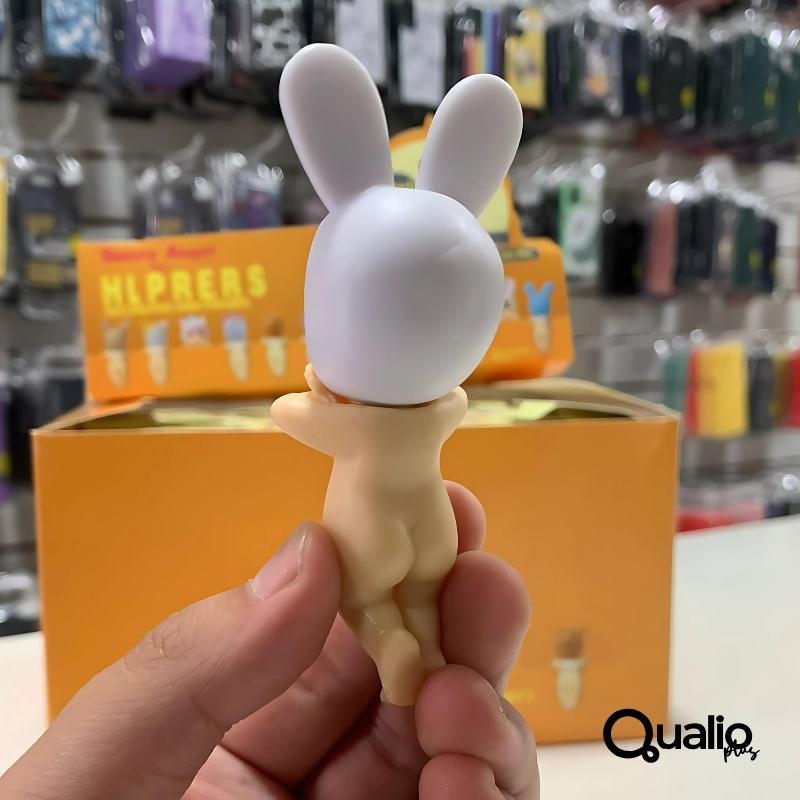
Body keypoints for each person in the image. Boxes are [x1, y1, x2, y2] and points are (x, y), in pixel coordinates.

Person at [0, 484, 538, 799]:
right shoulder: (437, 405)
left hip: (371, 529)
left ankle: (399, 654)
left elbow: (303, 417)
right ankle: (413, 659)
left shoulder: (353, 410)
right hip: (427, 519)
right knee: (423, 612)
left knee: (371, 605)